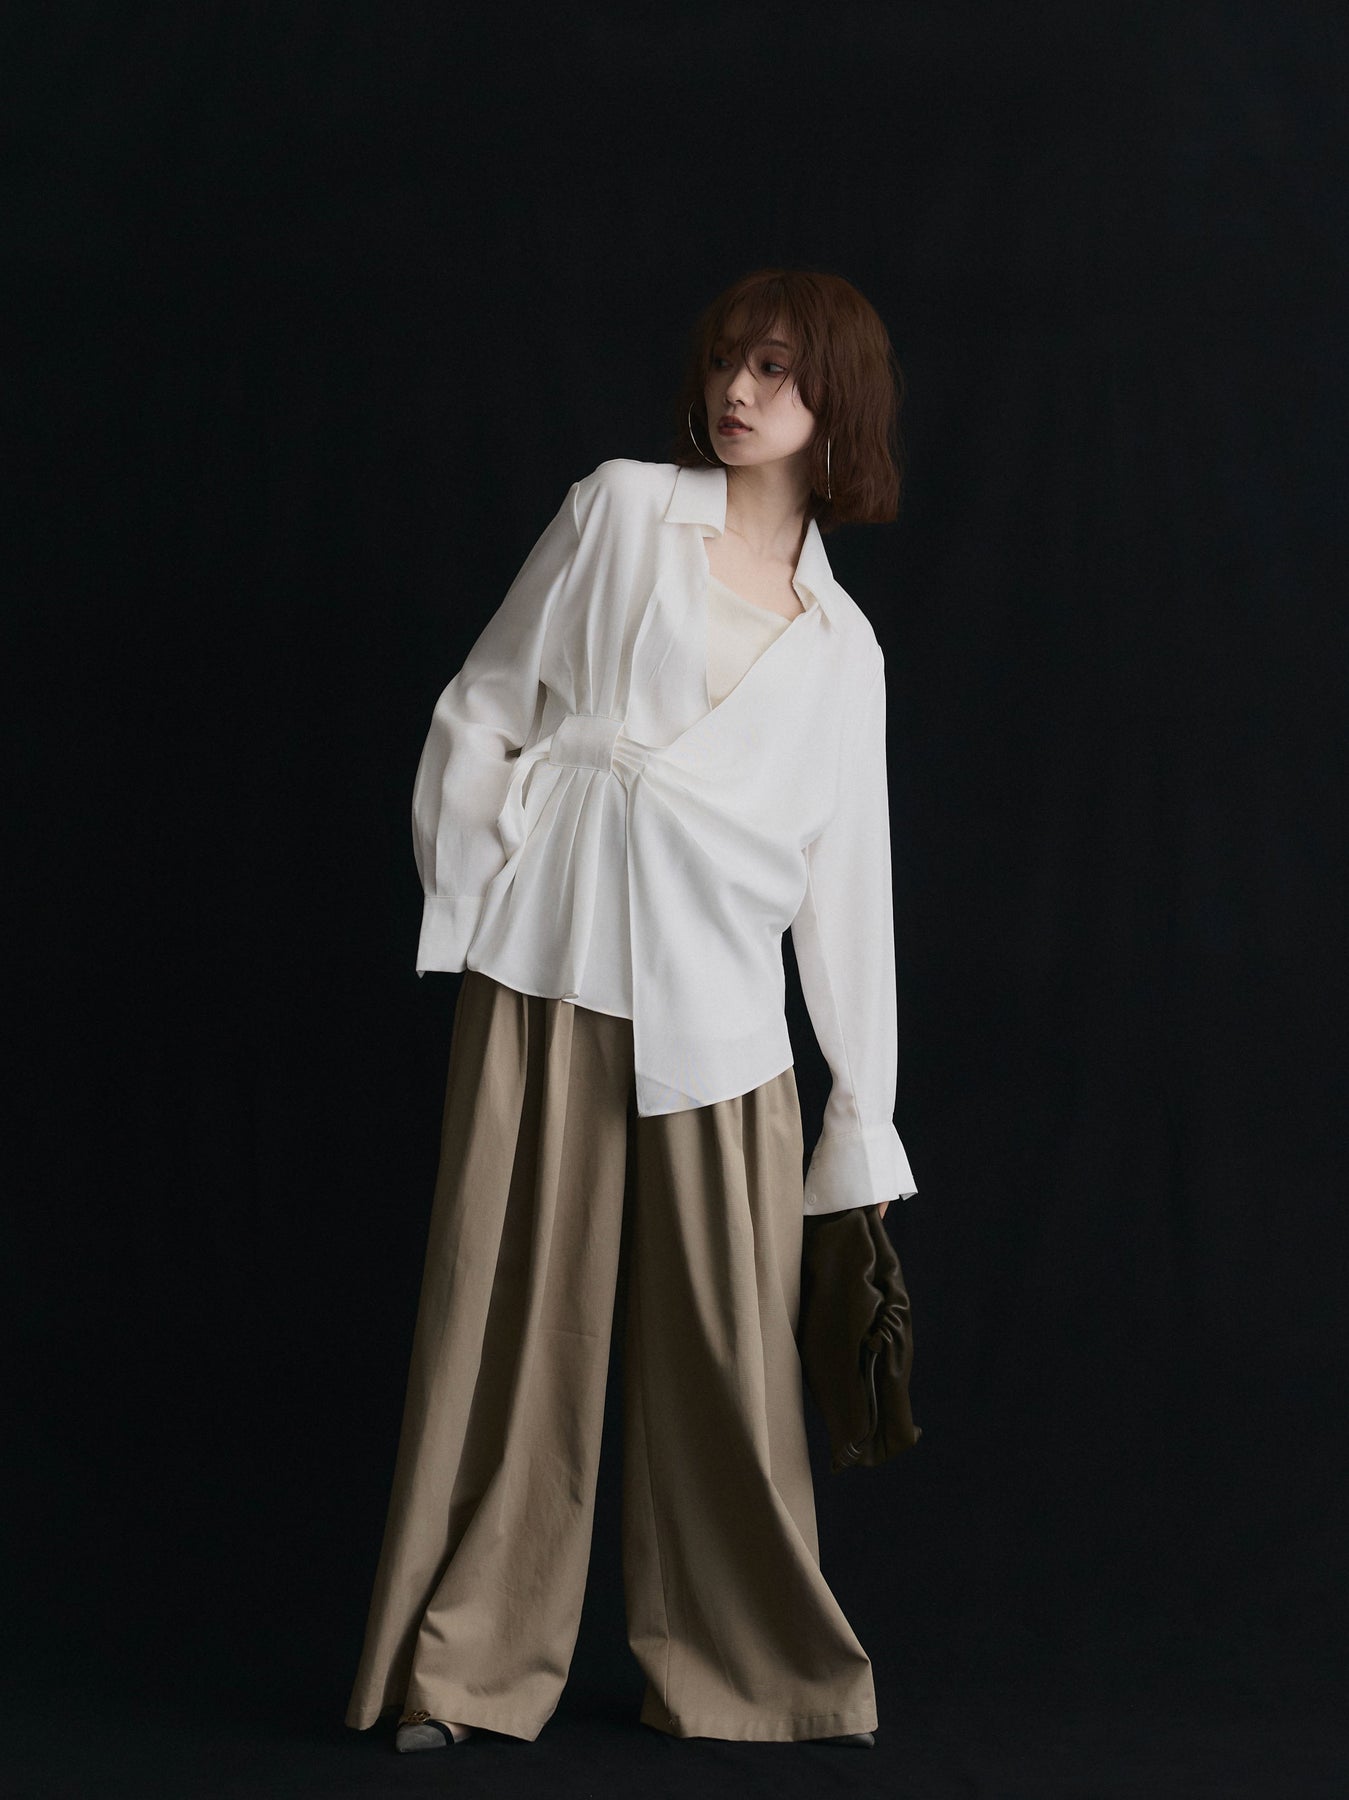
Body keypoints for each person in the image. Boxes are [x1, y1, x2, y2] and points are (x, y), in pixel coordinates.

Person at [343, 265, 919, 1754]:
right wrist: (492, 890)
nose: (739, 391)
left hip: (722, 1021)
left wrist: (859, 1114)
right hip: (554, 977)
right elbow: (486, 701)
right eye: (728, 361)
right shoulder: (618, 511)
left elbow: (846, 890)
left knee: (730, 1368)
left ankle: (759, 1674)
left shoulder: (842, 651)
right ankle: (463, 1671)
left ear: (836, 403)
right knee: (511, 1332)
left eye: (777, 370)